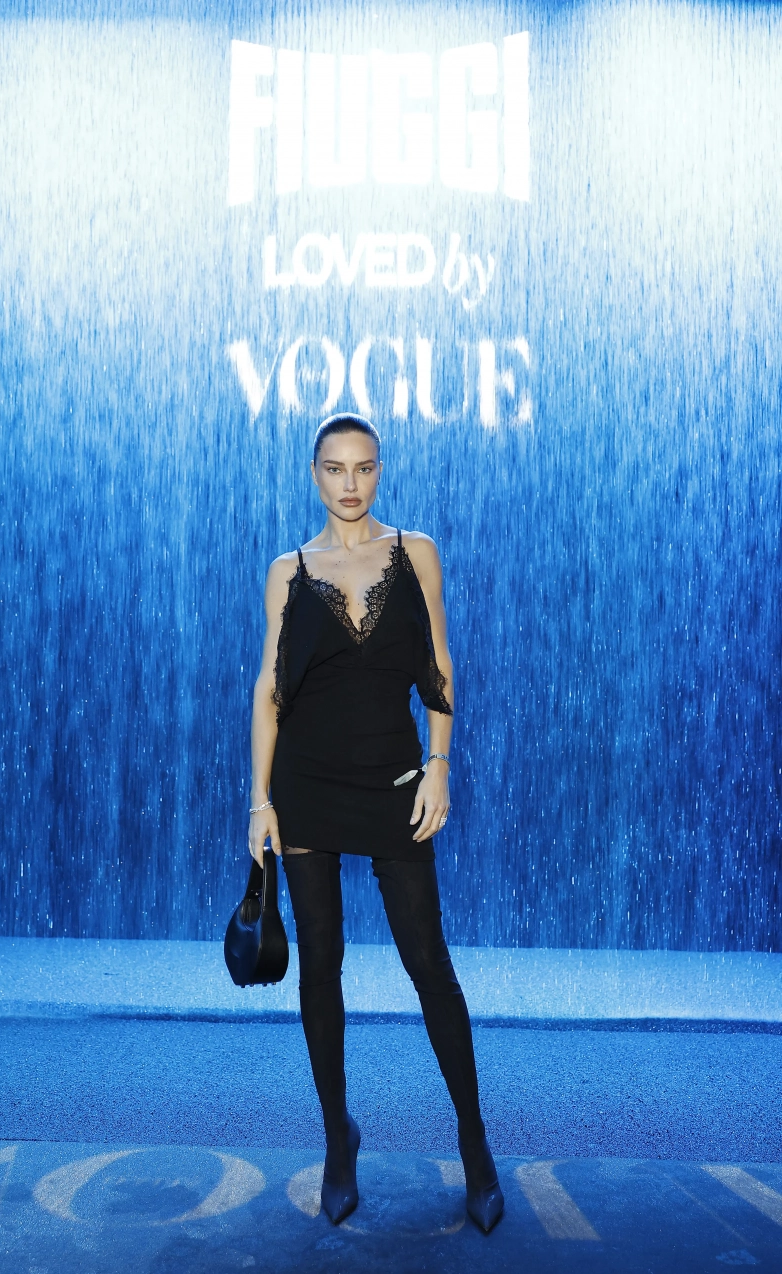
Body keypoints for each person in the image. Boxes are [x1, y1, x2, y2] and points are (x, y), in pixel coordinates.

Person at [247, 412, 504, 1233]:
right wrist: (260, 800)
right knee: (320, 966)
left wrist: (440, 764)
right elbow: (269, 691)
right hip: (308, 786)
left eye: (363, 467)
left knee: (429, 963)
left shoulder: (415, 551)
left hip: (395, 780)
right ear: (314, 475)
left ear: (380, 472)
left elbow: (438, 664)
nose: (350, 483)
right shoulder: (288, 570)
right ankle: (338, 1138)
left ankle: (474, 1144)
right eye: (335, 468)